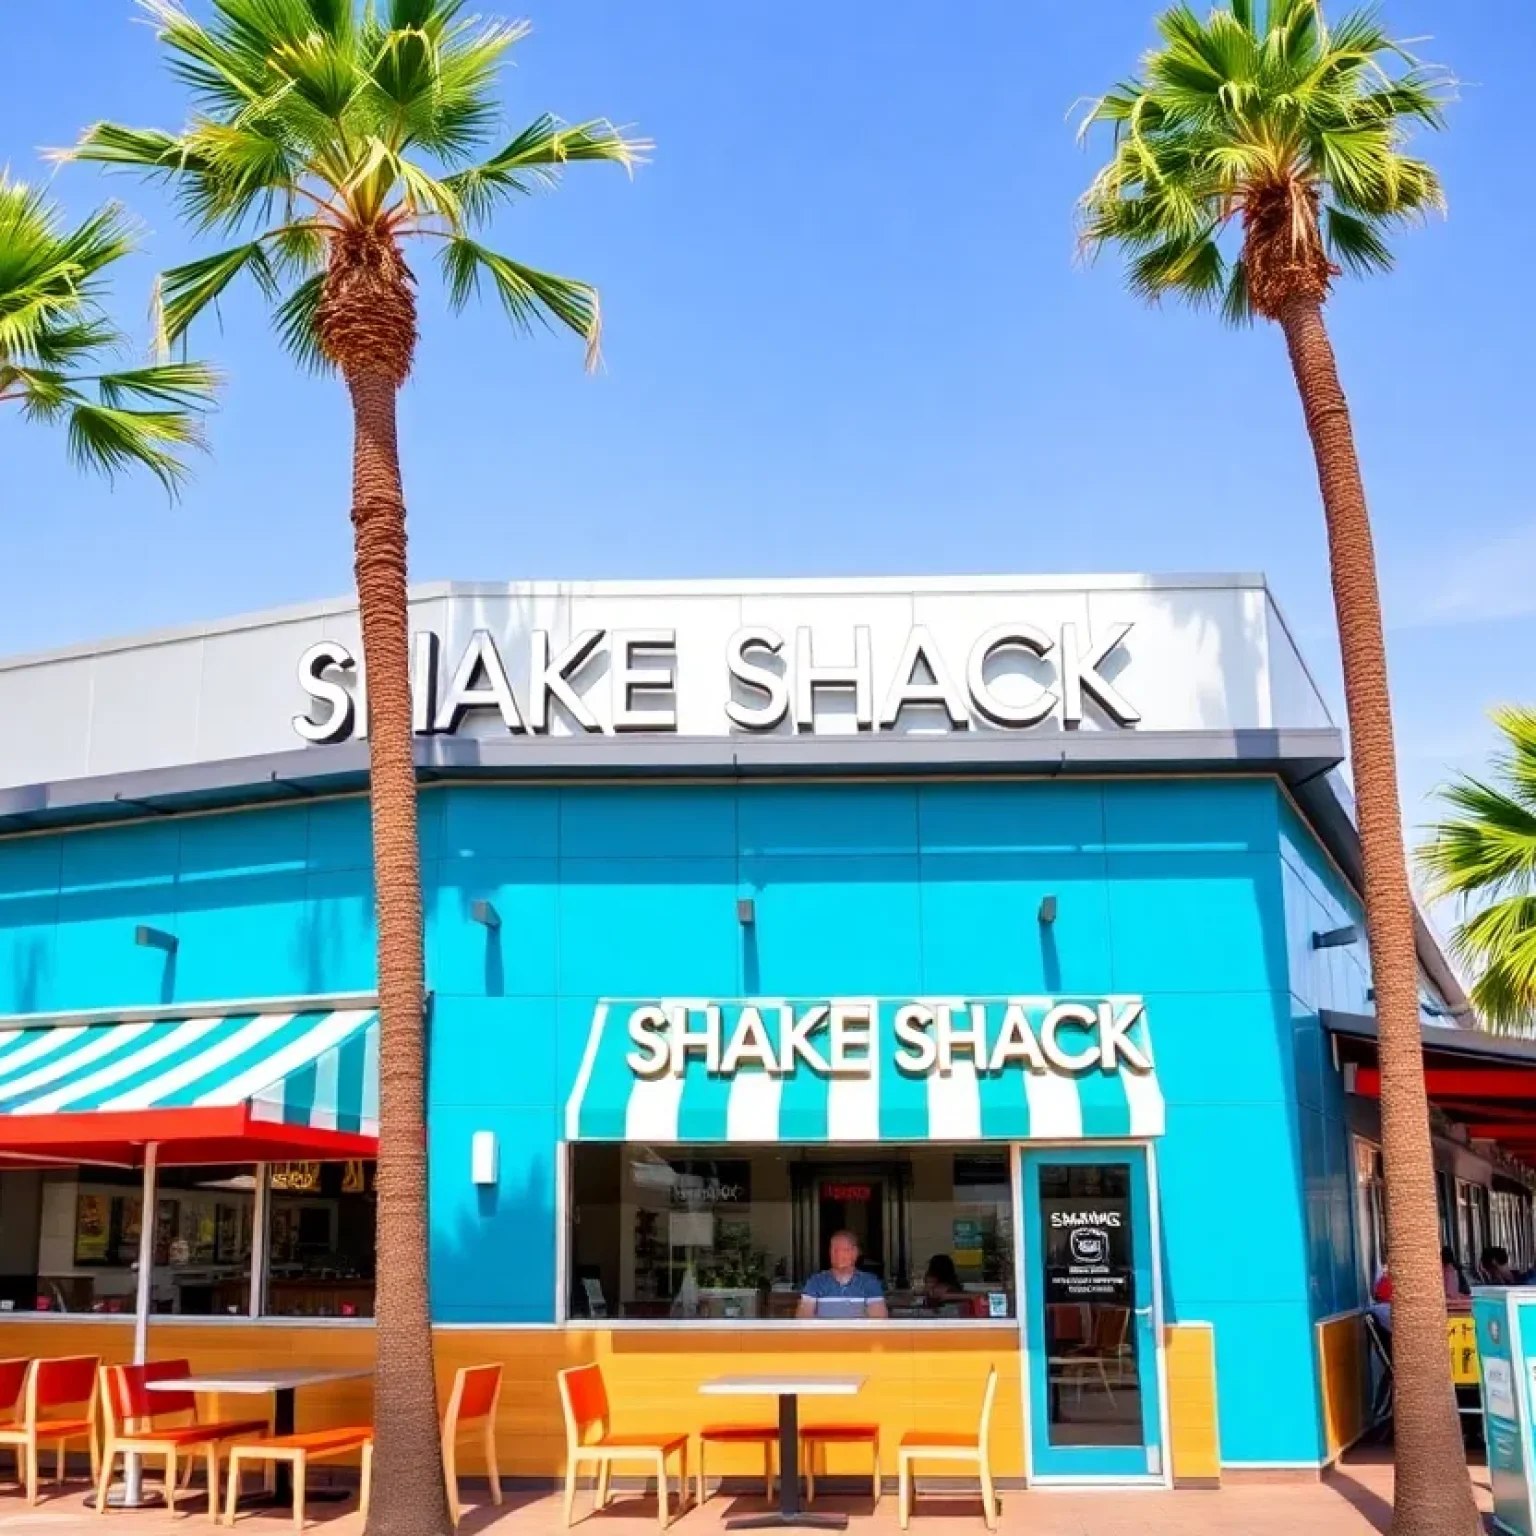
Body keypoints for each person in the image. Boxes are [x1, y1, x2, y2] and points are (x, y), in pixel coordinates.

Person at [798, 1230, 889, 1319]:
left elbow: (878, 1321)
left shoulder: (870, 1282)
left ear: (855, 1253)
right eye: (835, 1250)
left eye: (844, 1250)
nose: (839, 1255)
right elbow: (804, 1320)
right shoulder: (816, 1281)